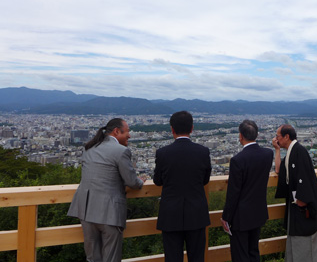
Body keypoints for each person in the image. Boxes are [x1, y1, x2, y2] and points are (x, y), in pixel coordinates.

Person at [67, 118, 145, 262]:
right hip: (110, 211)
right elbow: (132, 182)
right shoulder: (121, 151)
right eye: (127, 131)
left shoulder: (89, 147)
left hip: (86, 209)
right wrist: (141, 181)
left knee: (92, 257)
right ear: (116, 131)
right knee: (111, 257)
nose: (129, 135)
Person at [154, 111, 212, 262]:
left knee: (172, 258)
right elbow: (205, 180)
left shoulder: (163, 153)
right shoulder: (203, 152)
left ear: (172, 129)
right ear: (192, 128)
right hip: (197, 212)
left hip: (171, 213)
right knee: (197, 257)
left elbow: (157, 181)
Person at [272, 124, 317, 261]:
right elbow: (279, 171)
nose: (276, 139)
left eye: (277, 136)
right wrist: (277, 150)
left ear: (287, 136)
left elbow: (304, 177)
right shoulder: (292, 152)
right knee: (297, 235)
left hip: (303, 204)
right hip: (297, 203)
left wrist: (302, 201)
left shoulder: (299, 151)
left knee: (306, 237)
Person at [221, 120, 273, 262]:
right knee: (253, 251)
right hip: (258, 212)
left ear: (241, 136)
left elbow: (233, 193)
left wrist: (226, 217)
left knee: (240, 254)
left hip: (241, 216)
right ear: (256, 135)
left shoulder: (238, 160)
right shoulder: (268, 154)